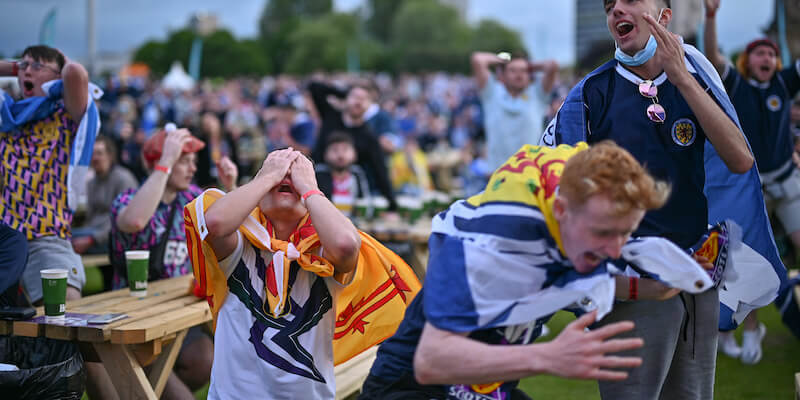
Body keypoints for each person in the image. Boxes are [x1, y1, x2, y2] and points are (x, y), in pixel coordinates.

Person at [542, 1, 784, 398]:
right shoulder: (592, 93)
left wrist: (683, 79)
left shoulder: (692, 80)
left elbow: (740, 161)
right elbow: (559, 192)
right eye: (608, 7)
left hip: (696, 273)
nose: (617, 9)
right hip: (636, 281)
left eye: (631, 0)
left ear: (664, 17)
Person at [359, 141, 683, 400]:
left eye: (624, 233)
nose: (614, 251)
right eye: (602, 234)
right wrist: (549, 356)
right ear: (560, 211)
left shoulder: (569, 227)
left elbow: (572, 277)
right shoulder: (486, 250)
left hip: (488, 387)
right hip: (414, 387)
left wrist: (654, 287)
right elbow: (432, 360)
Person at [184, 148, 421, 399]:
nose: (285, 178)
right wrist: (266, 177)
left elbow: (346, 245)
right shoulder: (240, 244)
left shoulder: (323, 249)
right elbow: (215, 224)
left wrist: (309, 187)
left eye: (295, 175)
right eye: (277, 175)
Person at [704, 0, 800, 365]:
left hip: (785, 179)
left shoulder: (784, 81)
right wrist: (711, 17)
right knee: (743, 261)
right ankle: (751, 327)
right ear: (748, 60)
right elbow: (712, 56)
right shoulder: (737, 86)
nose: (766, 58)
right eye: (759, 52)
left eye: (771, 54)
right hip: (750, 186)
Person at [111, 127, 236, 400]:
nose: (192, 168)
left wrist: (230, 187)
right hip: (136, 317)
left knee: (205, 360)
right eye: (184, 161)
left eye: (193, 161)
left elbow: (233, 230)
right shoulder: (128, 198)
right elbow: (134, 222)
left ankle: (143, 389)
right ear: (159, 161)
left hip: (177, 314)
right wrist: (165, 161)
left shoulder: (190, 199)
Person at [308, 80, 397, 211]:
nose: (358, 102)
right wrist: (344, 93)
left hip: (348, 192)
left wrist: (392, 205)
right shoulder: (331, 116)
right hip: (316, 180)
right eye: (355, 97)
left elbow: (380, 170)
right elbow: (314, 87)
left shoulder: (368, 136)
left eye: (364, 99)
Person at [471, 50, 559, 170]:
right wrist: (503, 60)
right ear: (502, 75)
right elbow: (478, 60)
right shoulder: (492, 93)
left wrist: (530, 65)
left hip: (530, 173)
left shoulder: (537, 94)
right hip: (497, 174)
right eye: (513, 70)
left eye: (523, 71)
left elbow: (552, 65)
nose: (519, 75)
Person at [71, 135, 138, 255]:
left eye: (99, 153)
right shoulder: (92, 182)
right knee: (63, 237)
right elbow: (91, 217)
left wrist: (92, 239)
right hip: (93, 233)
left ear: (110, 156)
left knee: (67, 241)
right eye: (93, 154)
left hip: (115, 238)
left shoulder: (123, 179)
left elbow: (122, 222)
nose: (95, 158)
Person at [315, 132, 373, 218]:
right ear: (325, 155)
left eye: (345, 149)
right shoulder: (318, 174)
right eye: (335, 150)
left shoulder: (357, 174)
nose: (340, 155)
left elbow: (366, 203)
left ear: (354, 154)